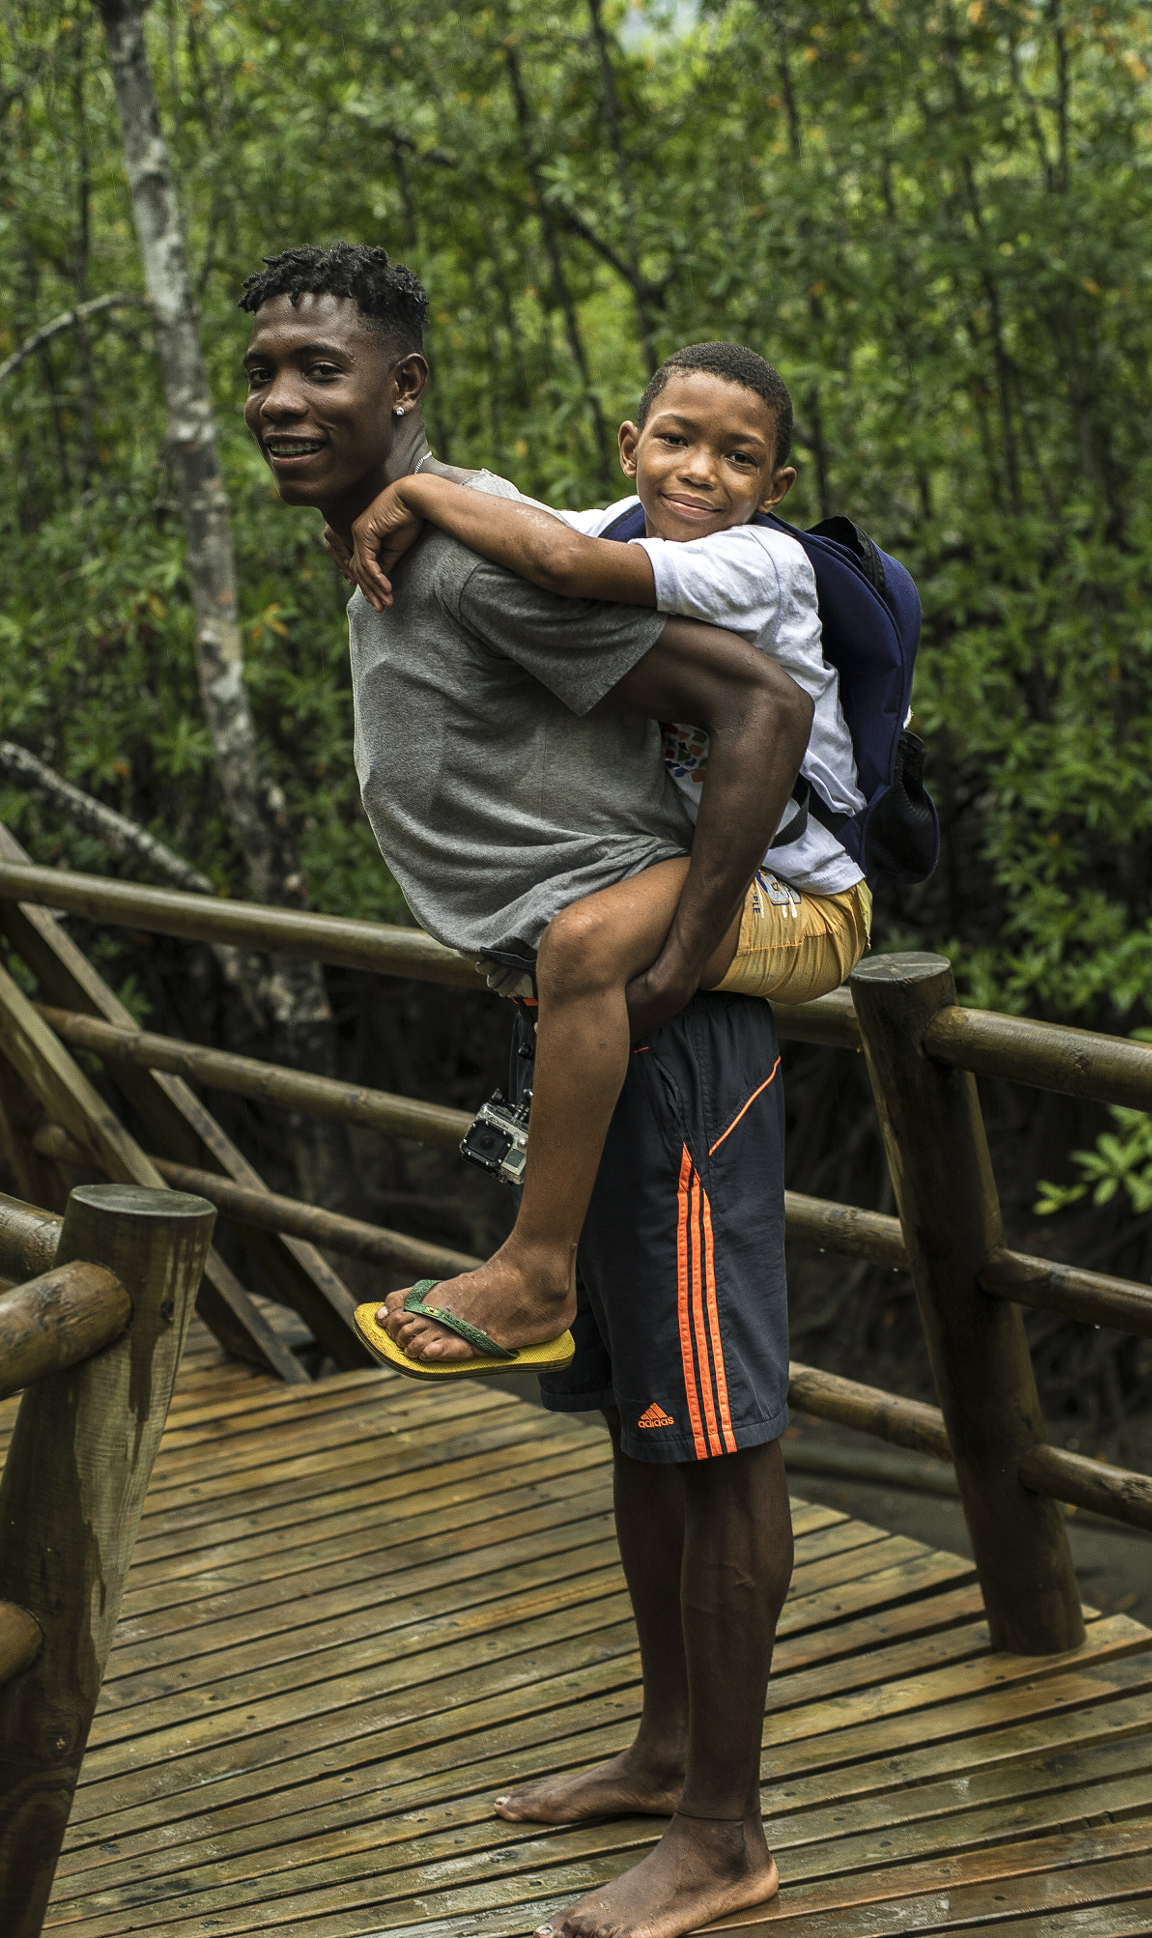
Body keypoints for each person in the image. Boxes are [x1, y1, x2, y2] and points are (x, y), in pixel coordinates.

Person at [240, 241, 809, 1938]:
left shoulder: (473, 555)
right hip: (578, 1031)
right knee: (646, 1419)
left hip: (664, 1038)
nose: (282, 396)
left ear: (401, 389)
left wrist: (679, 945)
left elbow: (760, 699)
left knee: (718, 1429)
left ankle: (724, 1832)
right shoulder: (403, 542)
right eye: (265, 366)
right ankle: (660, 1751)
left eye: (322, 370)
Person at [336, 342, 870, 1378]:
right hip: (713, 864)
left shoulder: (761, 559)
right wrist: (402, 505)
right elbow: (525, 527)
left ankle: (538, 1269)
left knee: (585, 944)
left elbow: (558, 566)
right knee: (577, 942)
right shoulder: (615, 522)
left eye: (738, 456)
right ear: (631, 446)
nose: (700, 471)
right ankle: (548, 1261)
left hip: (808, 896)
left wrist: (410, 488)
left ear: (777, 487)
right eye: (676, 439)